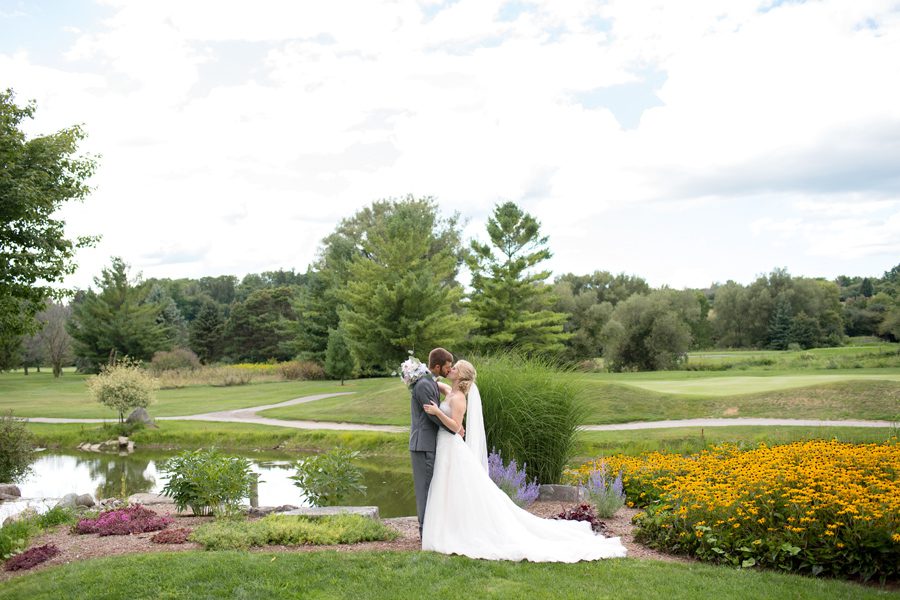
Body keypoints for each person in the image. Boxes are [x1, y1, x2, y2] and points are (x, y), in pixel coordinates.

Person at [421, 360, 627, 562]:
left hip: (452, 447)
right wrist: (418, 375)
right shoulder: (452, 393)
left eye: (455, 367)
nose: (451, 368)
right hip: (446, 447)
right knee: (450, 488)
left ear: (462, 375)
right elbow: (435, 384)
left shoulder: (459, 399)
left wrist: (438, 412)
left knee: (458, 487)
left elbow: (457, 427)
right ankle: (450, 525)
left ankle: (454, 531)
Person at [409, 347, 463, 539]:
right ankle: (425, 532)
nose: (449, 370)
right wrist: (454, 428)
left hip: (429, 443)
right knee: (424, 489)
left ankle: (432, 529)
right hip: (422, 444)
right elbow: (432, 416)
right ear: (438, 366)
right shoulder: (424, 385)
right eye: (447, 367)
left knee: (431, 487)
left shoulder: (430, 381)